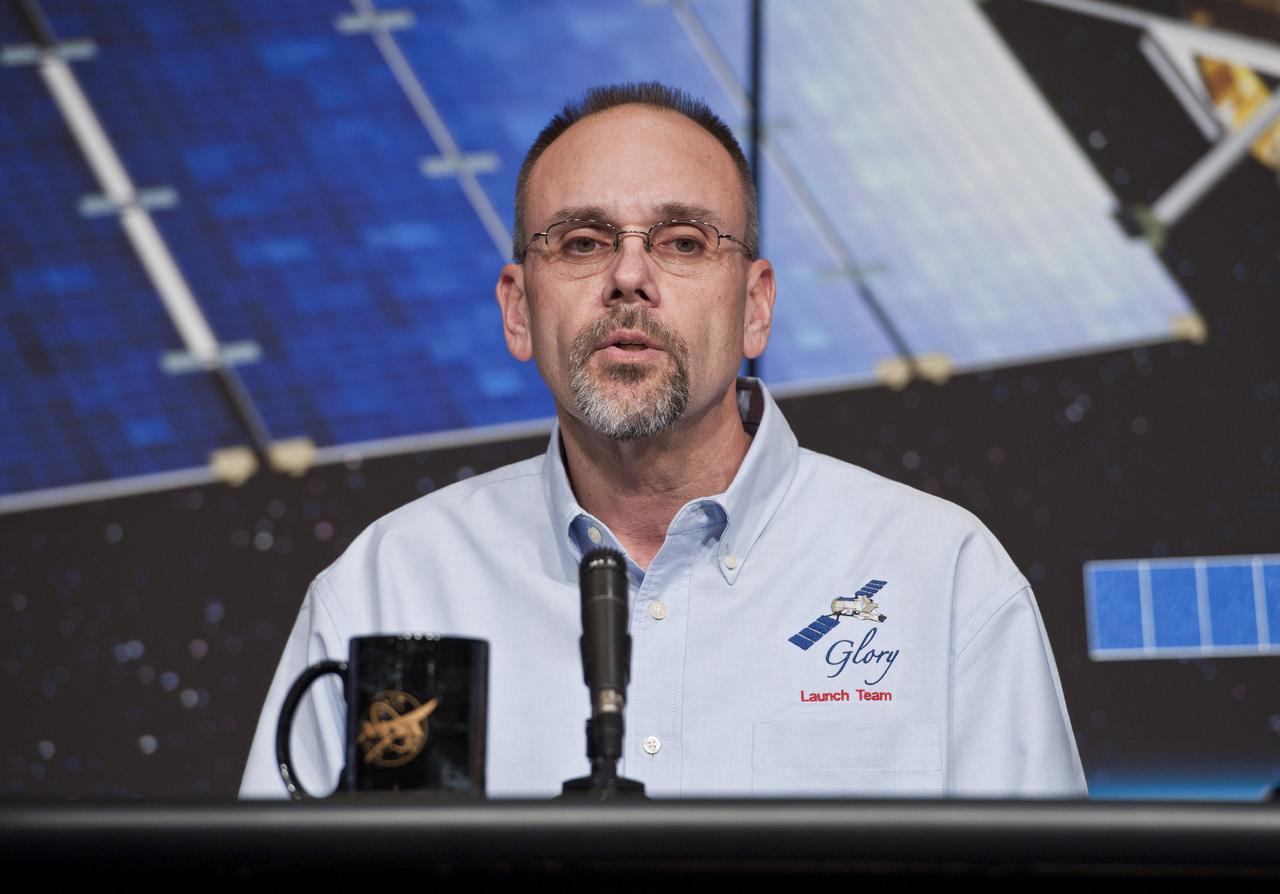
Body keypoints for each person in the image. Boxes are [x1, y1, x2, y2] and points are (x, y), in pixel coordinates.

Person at [241, 83, 1087, 799]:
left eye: (683, 242)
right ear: (516, 309)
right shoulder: (390, 589)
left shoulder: (942, 580)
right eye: (582, 242)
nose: (630, 277)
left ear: (756, 305)